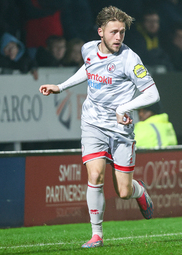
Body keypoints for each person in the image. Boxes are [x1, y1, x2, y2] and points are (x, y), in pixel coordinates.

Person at [39, 6, 159, 248]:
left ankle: (139, 191)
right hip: (92, 123)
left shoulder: (129, 59)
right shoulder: (87, 49)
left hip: (120, 130)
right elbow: (89, 68)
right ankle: (97, 235)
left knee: (123, 191)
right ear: (100, 32)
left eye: (122, 33)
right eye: (114, 32)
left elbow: (152, 93)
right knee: (95, 175)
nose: (118, 37)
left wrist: (123, 108)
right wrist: (61, 87)